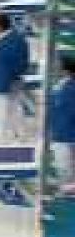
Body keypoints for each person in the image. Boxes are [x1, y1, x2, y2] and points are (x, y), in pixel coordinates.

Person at [0, 13, 30, 141]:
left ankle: (1, 137)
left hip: (3, 83)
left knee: (0, 111)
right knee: (16, 108)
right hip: (15, 79)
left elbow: (3, 65)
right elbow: (24, 61)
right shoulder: (20, 38)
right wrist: (17, 76)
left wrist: (3, 81)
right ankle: (21, 134)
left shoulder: (5, 43)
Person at [50, 56, 75, 196]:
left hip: (67, 137)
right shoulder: (60, 85)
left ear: (65, 70)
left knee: (67, 174)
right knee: (65, 173)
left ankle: (68, 196)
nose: (54, 70)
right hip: (60, 135)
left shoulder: (71, 88)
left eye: (57, 67)